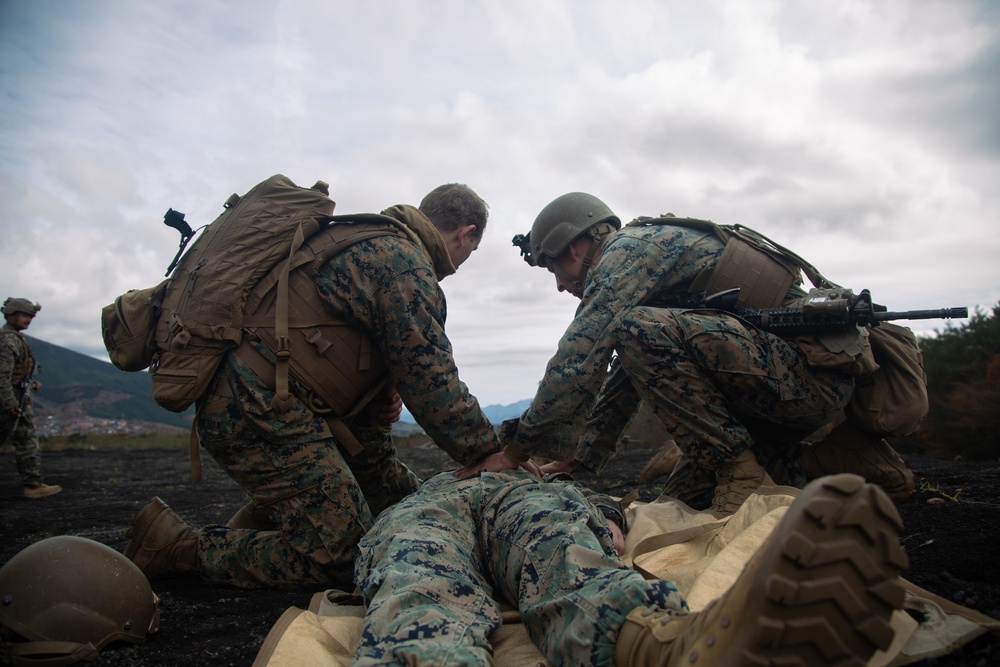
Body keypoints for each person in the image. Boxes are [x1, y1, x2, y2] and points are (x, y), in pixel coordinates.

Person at [125, 184, 515, 589]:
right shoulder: (404, 264)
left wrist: (380, 418)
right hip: (259, 406)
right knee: (345, 557)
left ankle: (291, 516)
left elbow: (349, 372)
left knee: (400, 508)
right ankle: (175, 547)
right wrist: (491, 453)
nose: (460, 264)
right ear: (466, 233)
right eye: (469, 253)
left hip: (270, 401)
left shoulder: (369, 242)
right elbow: (434, 386)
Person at [467, 192, 912, 514]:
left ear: (576, 246)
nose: (561, 285)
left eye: (555, 269)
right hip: (785, 385)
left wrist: (516, 448)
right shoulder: (648, 262)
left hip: (803, 381)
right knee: (677, 509)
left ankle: (741, 472)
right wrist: (578, 458)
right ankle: (846, 460)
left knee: (632, 329)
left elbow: (581, 354)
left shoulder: (627, 253)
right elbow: (629, 372)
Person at [353, 469, 907, 666]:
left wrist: (604, 513)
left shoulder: (538, 479)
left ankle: (657, 645)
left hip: (518, 500)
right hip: (429, 509)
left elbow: (591, 511)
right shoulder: (415, 483)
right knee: (415, 564)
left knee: (560, 540)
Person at [1, 297, 62, 499]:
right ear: (11, 315)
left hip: (15, 397)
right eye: (24, 315)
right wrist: (10, 403)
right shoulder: (9, 340)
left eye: (30, 316)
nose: (28, 319)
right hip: (12, 401)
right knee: (26, 441)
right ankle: (33, 485)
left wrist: (31, 381)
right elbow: (2, 375)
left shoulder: (14, 338)